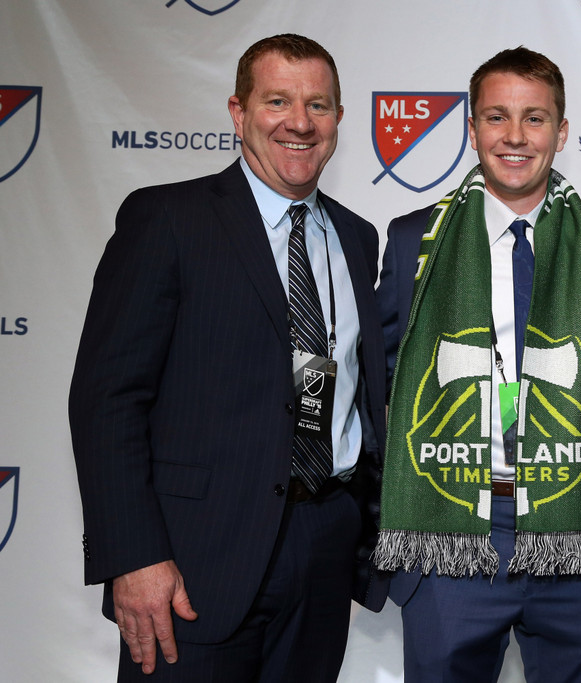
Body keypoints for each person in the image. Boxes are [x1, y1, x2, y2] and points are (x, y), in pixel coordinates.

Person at [68, 34, 387, 682]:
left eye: (317, 105)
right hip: (193, 557)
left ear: (338, 119)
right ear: (239, 113)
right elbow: (107, 399)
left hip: (323, 544)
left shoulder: (357, 237)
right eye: (277, 101)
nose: (299, 122)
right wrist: (133, 556)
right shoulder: (168, 219)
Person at [374, 47, 581, 683]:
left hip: (577, 536)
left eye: (534, 118)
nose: (515, 136)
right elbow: (380, 382)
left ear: (561, 132)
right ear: (472, 129)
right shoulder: (413, 239)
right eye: (496, 117)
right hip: (451, 541)